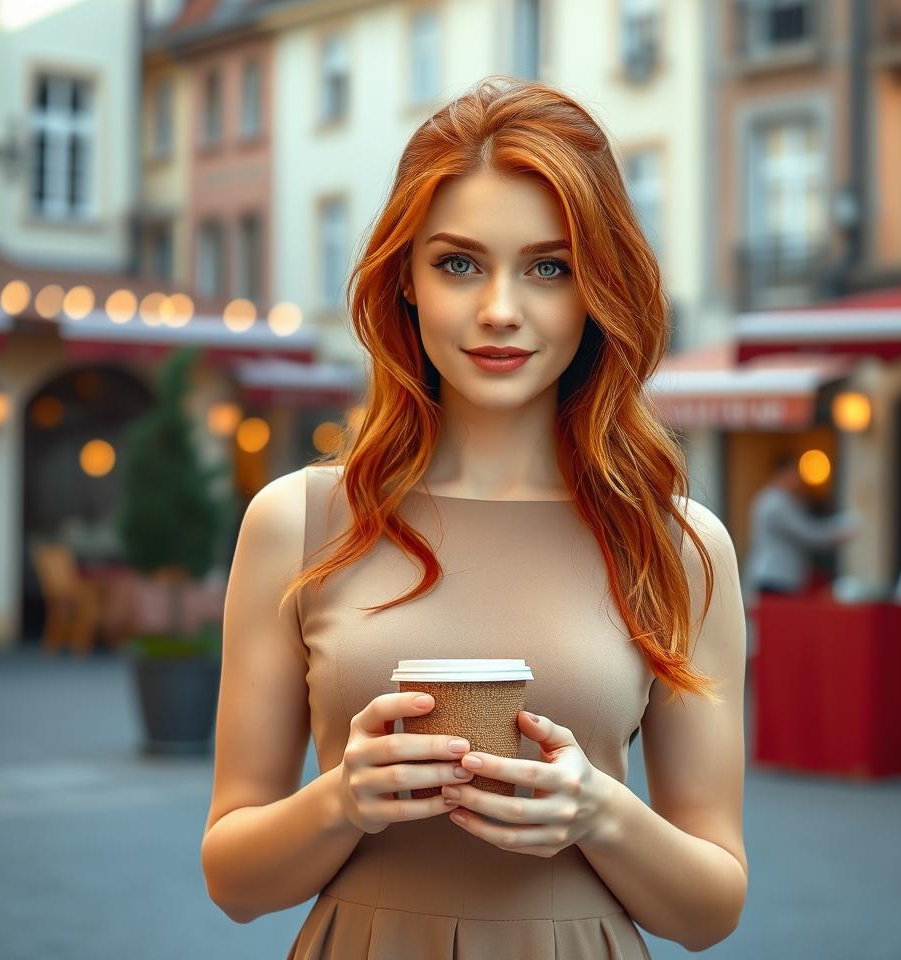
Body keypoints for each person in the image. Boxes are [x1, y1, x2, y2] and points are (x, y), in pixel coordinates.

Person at [200, 77, 748, 958]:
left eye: (549, 266)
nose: (500, 308)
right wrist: (340, 800)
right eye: (458, 263)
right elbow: (232, 880)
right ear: (406, 282)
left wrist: (599, 812)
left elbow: (711, 909)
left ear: (596, 286)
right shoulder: (296, 521)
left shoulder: (677, 545)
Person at [743, 454, 860, 606]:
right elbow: (807, 533)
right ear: (783, 473)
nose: (798, 479)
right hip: (776, 576)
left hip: (780, 576)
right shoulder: (776, 503)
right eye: (795, 474)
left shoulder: (777, 499)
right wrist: (838, 532)